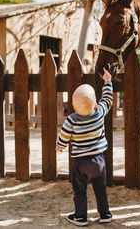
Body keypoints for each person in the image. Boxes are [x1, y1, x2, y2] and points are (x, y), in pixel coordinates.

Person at [56, 68, 113, 227]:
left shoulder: (71, 120)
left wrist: (59, 146)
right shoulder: (100, 111)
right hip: (99, 160)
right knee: (100, 188)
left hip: (80, 162)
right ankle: (105, 214)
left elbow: (64, 136)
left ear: (73, 105)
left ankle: (81, 216)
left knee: (80, 190)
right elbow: (108, 99)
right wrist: (108, 81)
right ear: (95, 103)